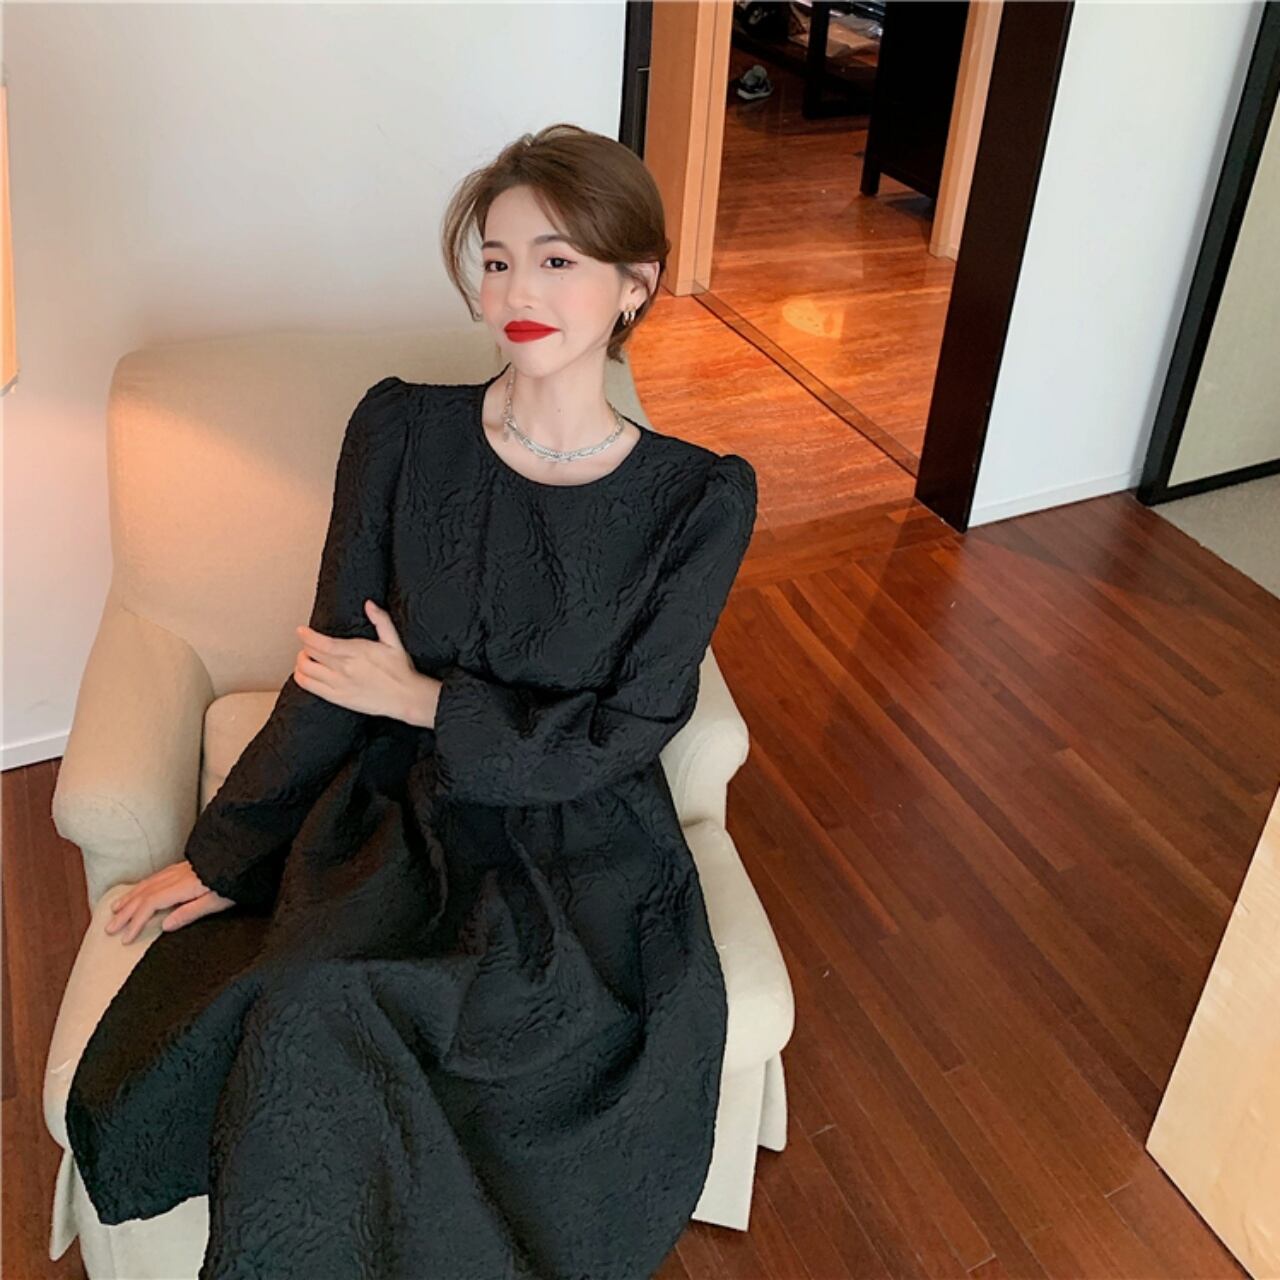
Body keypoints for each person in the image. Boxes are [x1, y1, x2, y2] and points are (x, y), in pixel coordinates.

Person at [66, 122, 758, 1280]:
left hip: (577, 841)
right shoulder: (401, 430)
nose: (517, 291)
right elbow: (334, 671)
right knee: (305, 1002)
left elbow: (628, 729)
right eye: (496, 260)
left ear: (634, 282)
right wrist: (226, 854)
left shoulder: (697, 499)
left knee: (519, 1039)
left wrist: (430, 699)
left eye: (556, 259)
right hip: (399, 811)